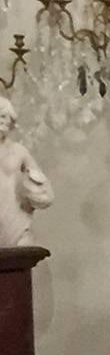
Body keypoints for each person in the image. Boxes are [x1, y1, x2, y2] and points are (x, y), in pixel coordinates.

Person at [0, 98, 53, 252]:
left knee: (19, 255)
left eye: (4, 116)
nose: (2, 121)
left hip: (15, 215)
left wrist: (36, 189)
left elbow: (44, 191)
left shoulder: (19, 151)